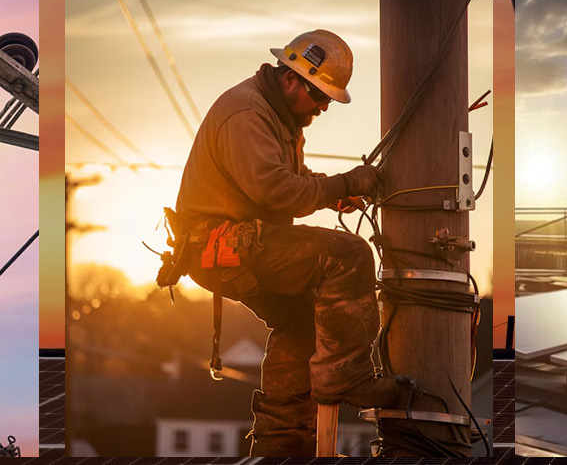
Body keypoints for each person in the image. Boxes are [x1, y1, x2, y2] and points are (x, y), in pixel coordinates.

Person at [165, 30, 440, 456]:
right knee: (348, 256)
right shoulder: (246, 113)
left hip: (235, 246)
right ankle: (347, 376)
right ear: (292, 79)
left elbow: (289, 180)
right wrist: (344, 183)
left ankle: (280, 442)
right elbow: (274, 191)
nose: (323, 107)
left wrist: (337, 192)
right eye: (319, 97)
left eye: (329, 100)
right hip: (223, 245)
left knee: (304, 323)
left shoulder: (279, 116)